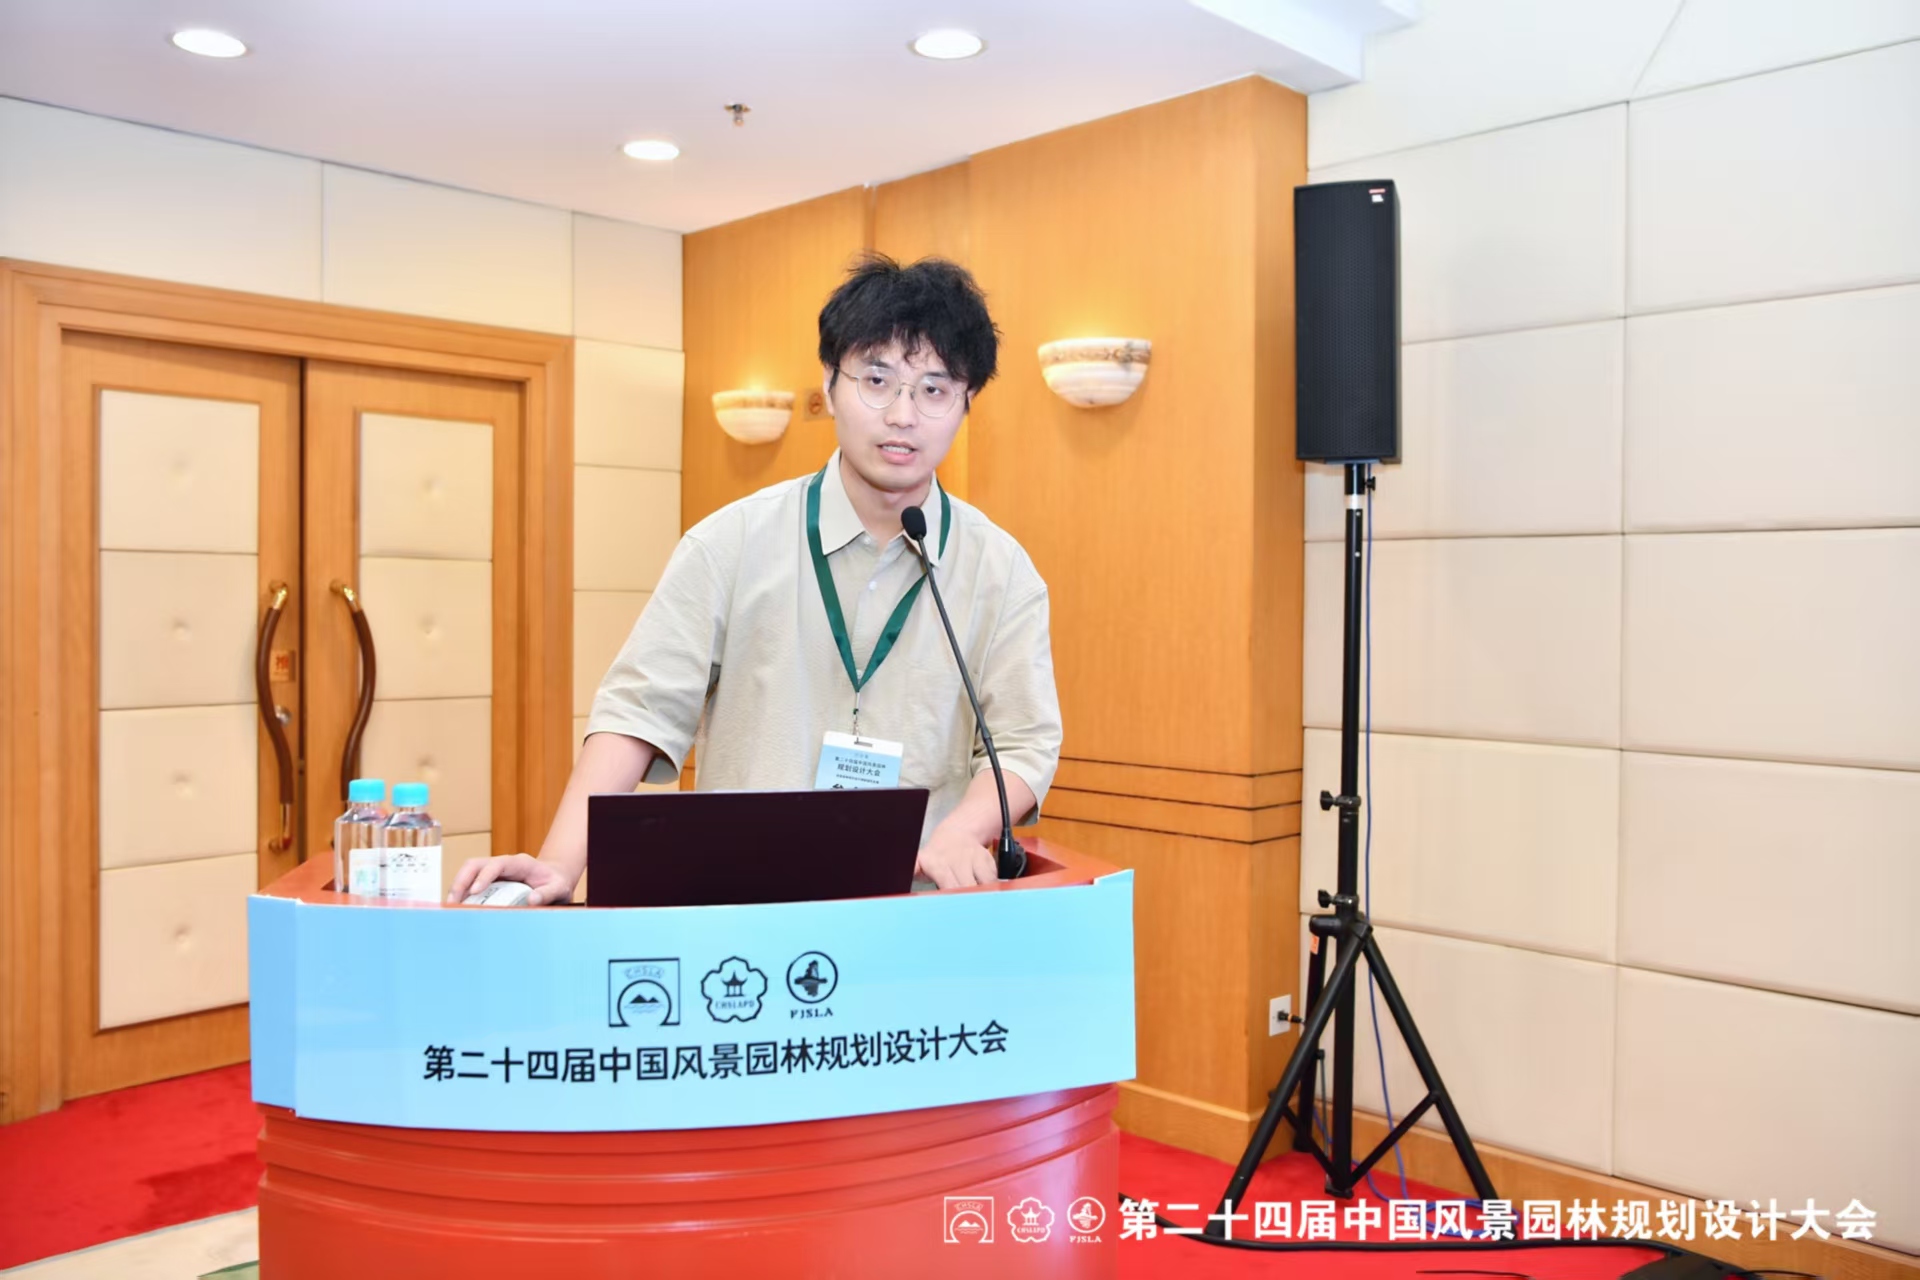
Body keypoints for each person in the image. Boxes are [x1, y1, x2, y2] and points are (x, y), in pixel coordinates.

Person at [449, 254, 1062, 905]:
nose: (903, 415)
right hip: (744, 906)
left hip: (913, 906)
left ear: (968, 402)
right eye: (877, 381)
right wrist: (559, 864)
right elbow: (638, 713)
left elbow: (1025, 743)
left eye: (934, 390)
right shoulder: (729, 544)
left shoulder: (1001, 571)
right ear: (830, 383)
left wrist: (962, 831)